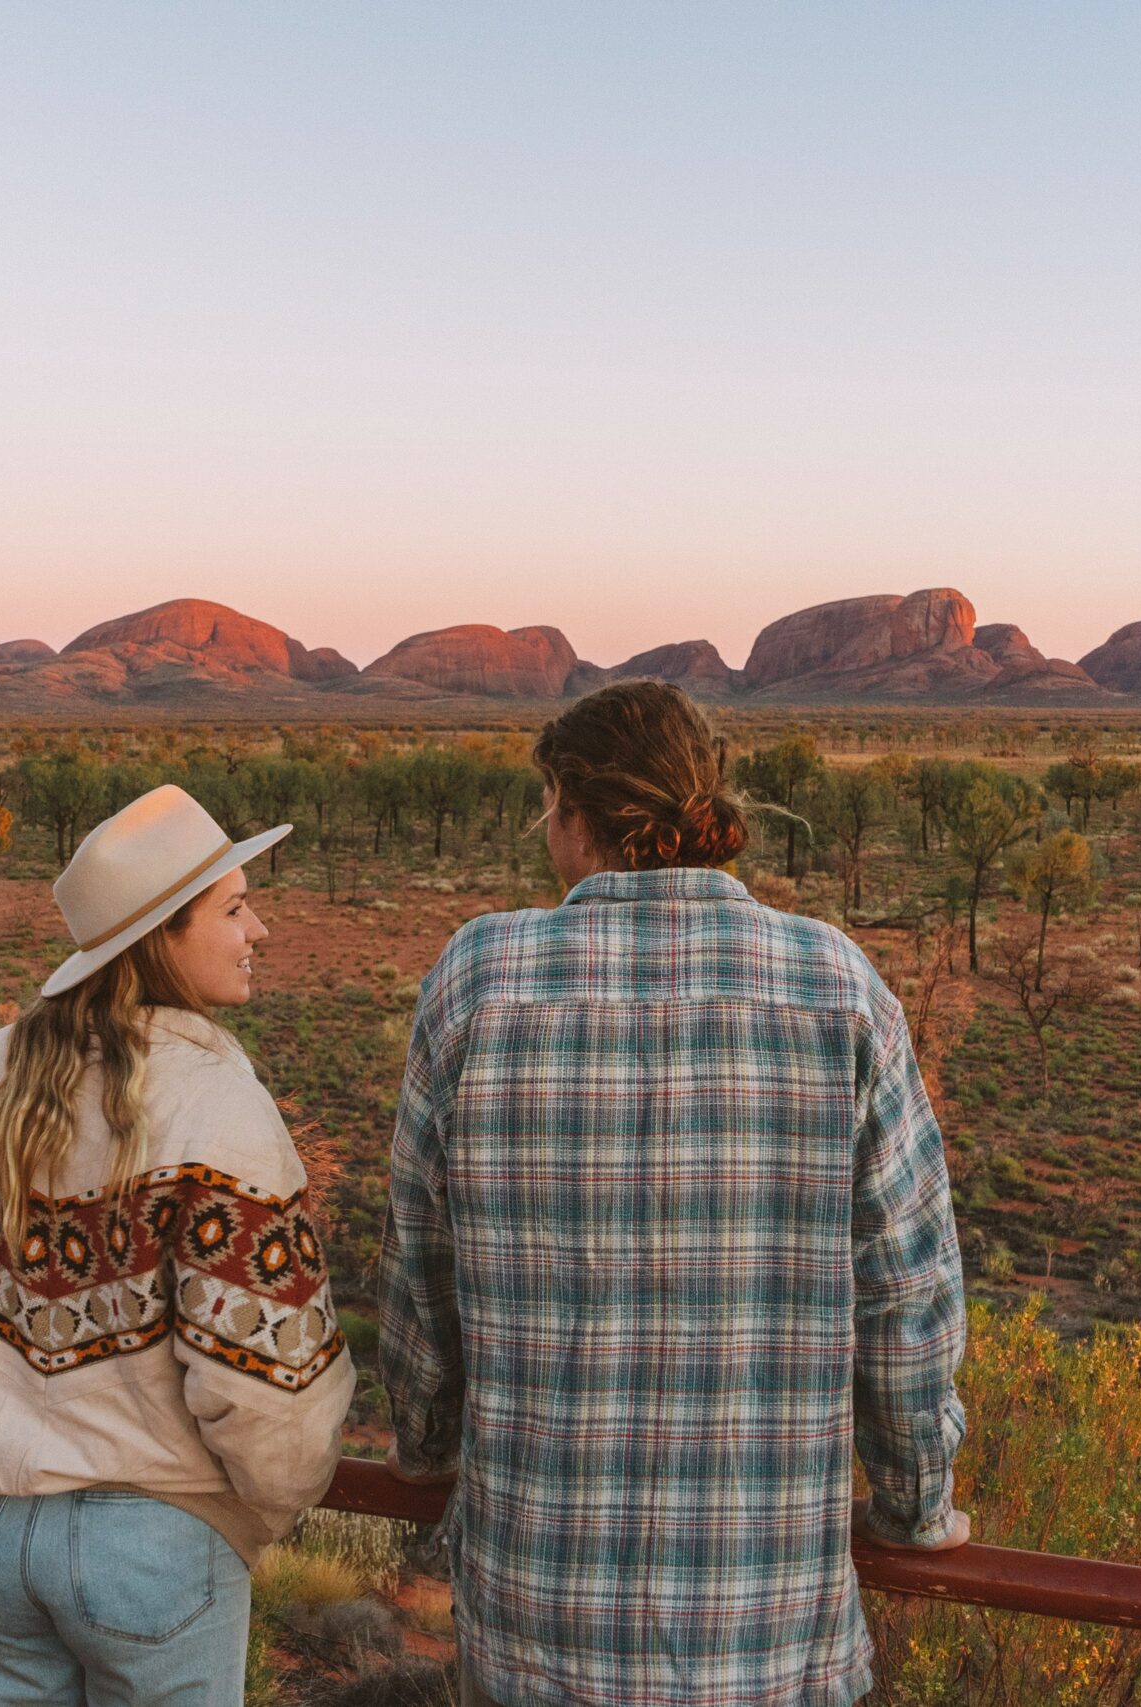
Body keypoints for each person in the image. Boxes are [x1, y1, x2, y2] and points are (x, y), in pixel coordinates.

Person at [379, 681, 970, 1707]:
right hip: (768, 1625)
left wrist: (423, 1449)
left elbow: (418, 1268)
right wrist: (914, 1504)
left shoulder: (481, 975)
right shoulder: (835, 982)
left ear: (571, 811)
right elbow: (905, 1289)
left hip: (536, 1618)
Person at [0, 783, 355, 1707]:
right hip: (159, 1543)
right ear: (162, 937)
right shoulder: (218, 1109)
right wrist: (254, 1513)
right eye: (233, 909)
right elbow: (268, 1387)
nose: (257, 929)